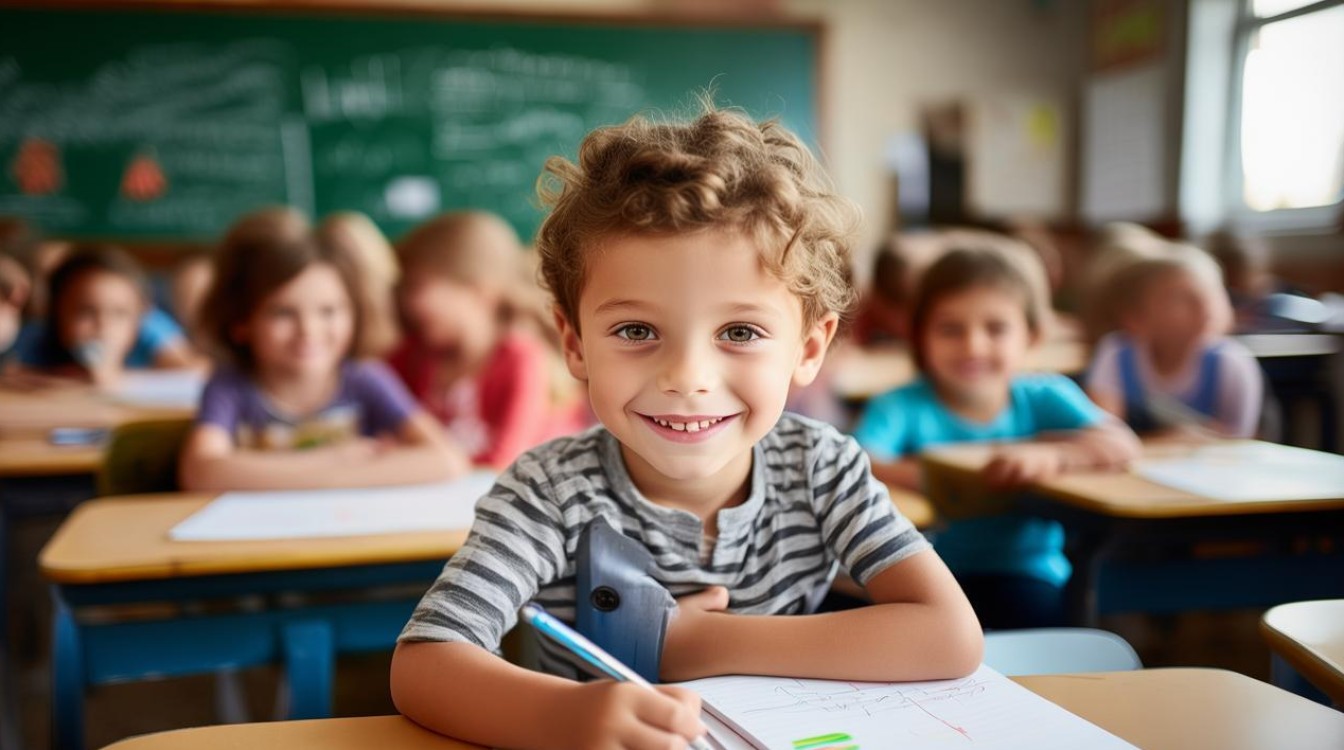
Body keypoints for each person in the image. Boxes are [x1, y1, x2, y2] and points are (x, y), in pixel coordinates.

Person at [390, 105, 983, 750]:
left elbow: (949, 636)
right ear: (576, 342)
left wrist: (697, 643)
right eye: (637, 331)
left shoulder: (822, 467)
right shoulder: (549, 491)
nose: (687, 377)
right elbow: (424, 663)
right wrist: (566, 719)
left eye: (740, 332)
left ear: (808, 349)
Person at [854, 244, 1139, 629]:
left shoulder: (1044, 395)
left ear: (1032, 335)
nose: (973, 346)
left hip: (1026, 572)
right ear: (919, 335)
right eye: (950, 329)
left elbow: (1121, 442)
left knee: (1042, 628)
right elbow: (859, 461)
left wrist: (1051, 458)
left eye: (996, 328)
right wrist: (947, 479)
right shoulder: (900, 406)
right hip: (922, 574)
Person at [178, 207, 468, 491]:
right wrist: (335, 461)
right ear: (240, 321)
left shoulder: (366, 379)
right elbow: (201, 472)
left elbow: (447, 459)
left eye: (329, 311)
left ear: (355, 313)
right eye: (283, 312)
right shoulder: (231, 386)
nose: (309, 331)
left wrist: (285, 475)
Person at [389, 211, 584, 470]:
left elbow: (503, 462)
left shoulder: (521, 358)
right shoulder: (415, 356)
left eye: (417, 287)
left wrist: (423, 462)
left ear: (479, 291)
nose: (407, 302)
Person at [1086, 244, 1263, 438]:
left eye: (1212, 294)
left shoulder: (1231, 362)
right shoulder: (1116, 353)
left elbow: (1239, 443)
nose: (1204, 307)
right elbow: (1103, 433)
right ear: (1136, 318)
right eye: (1181, 298)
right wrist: (1171, 438)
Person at [10, 244, 196, 386]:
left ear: (141, 313)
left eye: (119, 313)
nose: (103, 325)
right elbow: (10, 375)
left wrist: (118, 377)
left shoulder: (149, 327)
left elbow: (196, 371)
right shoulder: (36, 335)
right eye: (86, 311)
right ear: (55, 311)